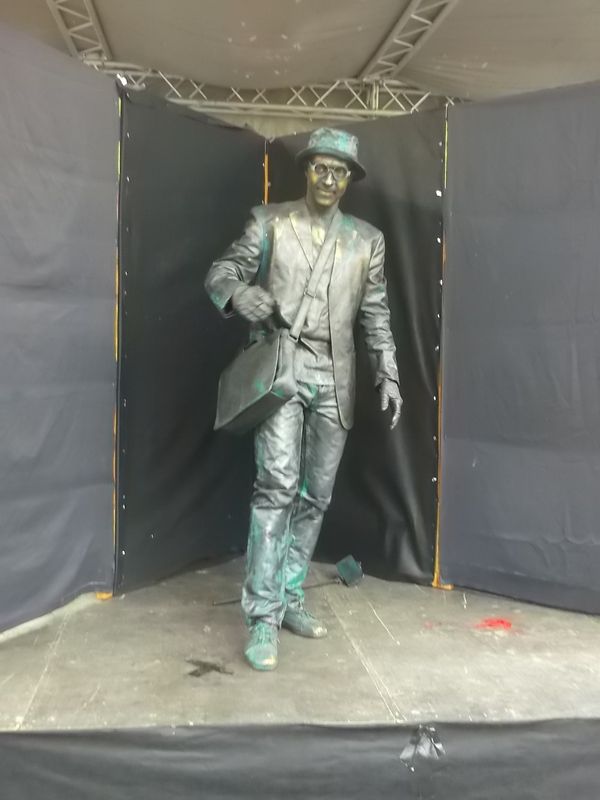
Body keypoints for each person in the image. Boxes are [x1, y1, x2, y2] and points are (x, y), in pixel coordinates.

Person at [205, 127, 401, 671]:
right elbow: (221, 272)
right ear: (307, 169)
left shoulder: (366, 240)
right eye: (321, 167)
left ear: (350, 180)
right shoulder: (269, 222)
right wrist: (238, 292)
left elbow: (375, 312)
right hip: (282, 371)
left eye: (340, 172)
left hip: (336, 378)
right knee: (276, 487)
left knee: (316, 496)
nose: (329, 179)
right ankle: (262, 617)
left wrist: (388, 373)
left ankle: (290, 593)